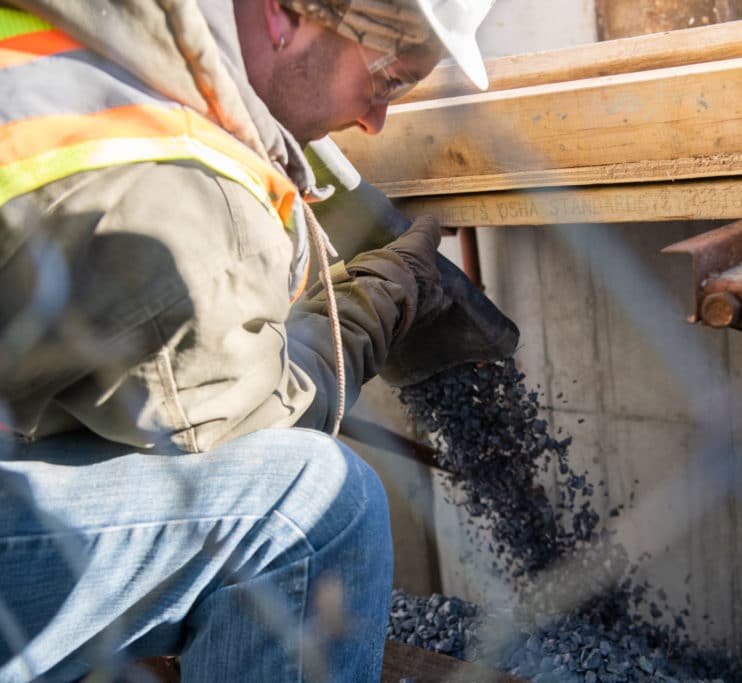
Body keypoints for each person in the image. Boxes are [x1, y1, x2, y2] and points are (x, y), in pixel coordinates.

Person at [0, 0, 495, 680]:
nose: (375, 121)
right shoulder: (166, 183)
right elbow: (253, 420)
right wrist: (379, 299)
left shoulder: (82, 51)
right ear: (279, 17)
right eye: (387, 79)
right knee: (316, 507)